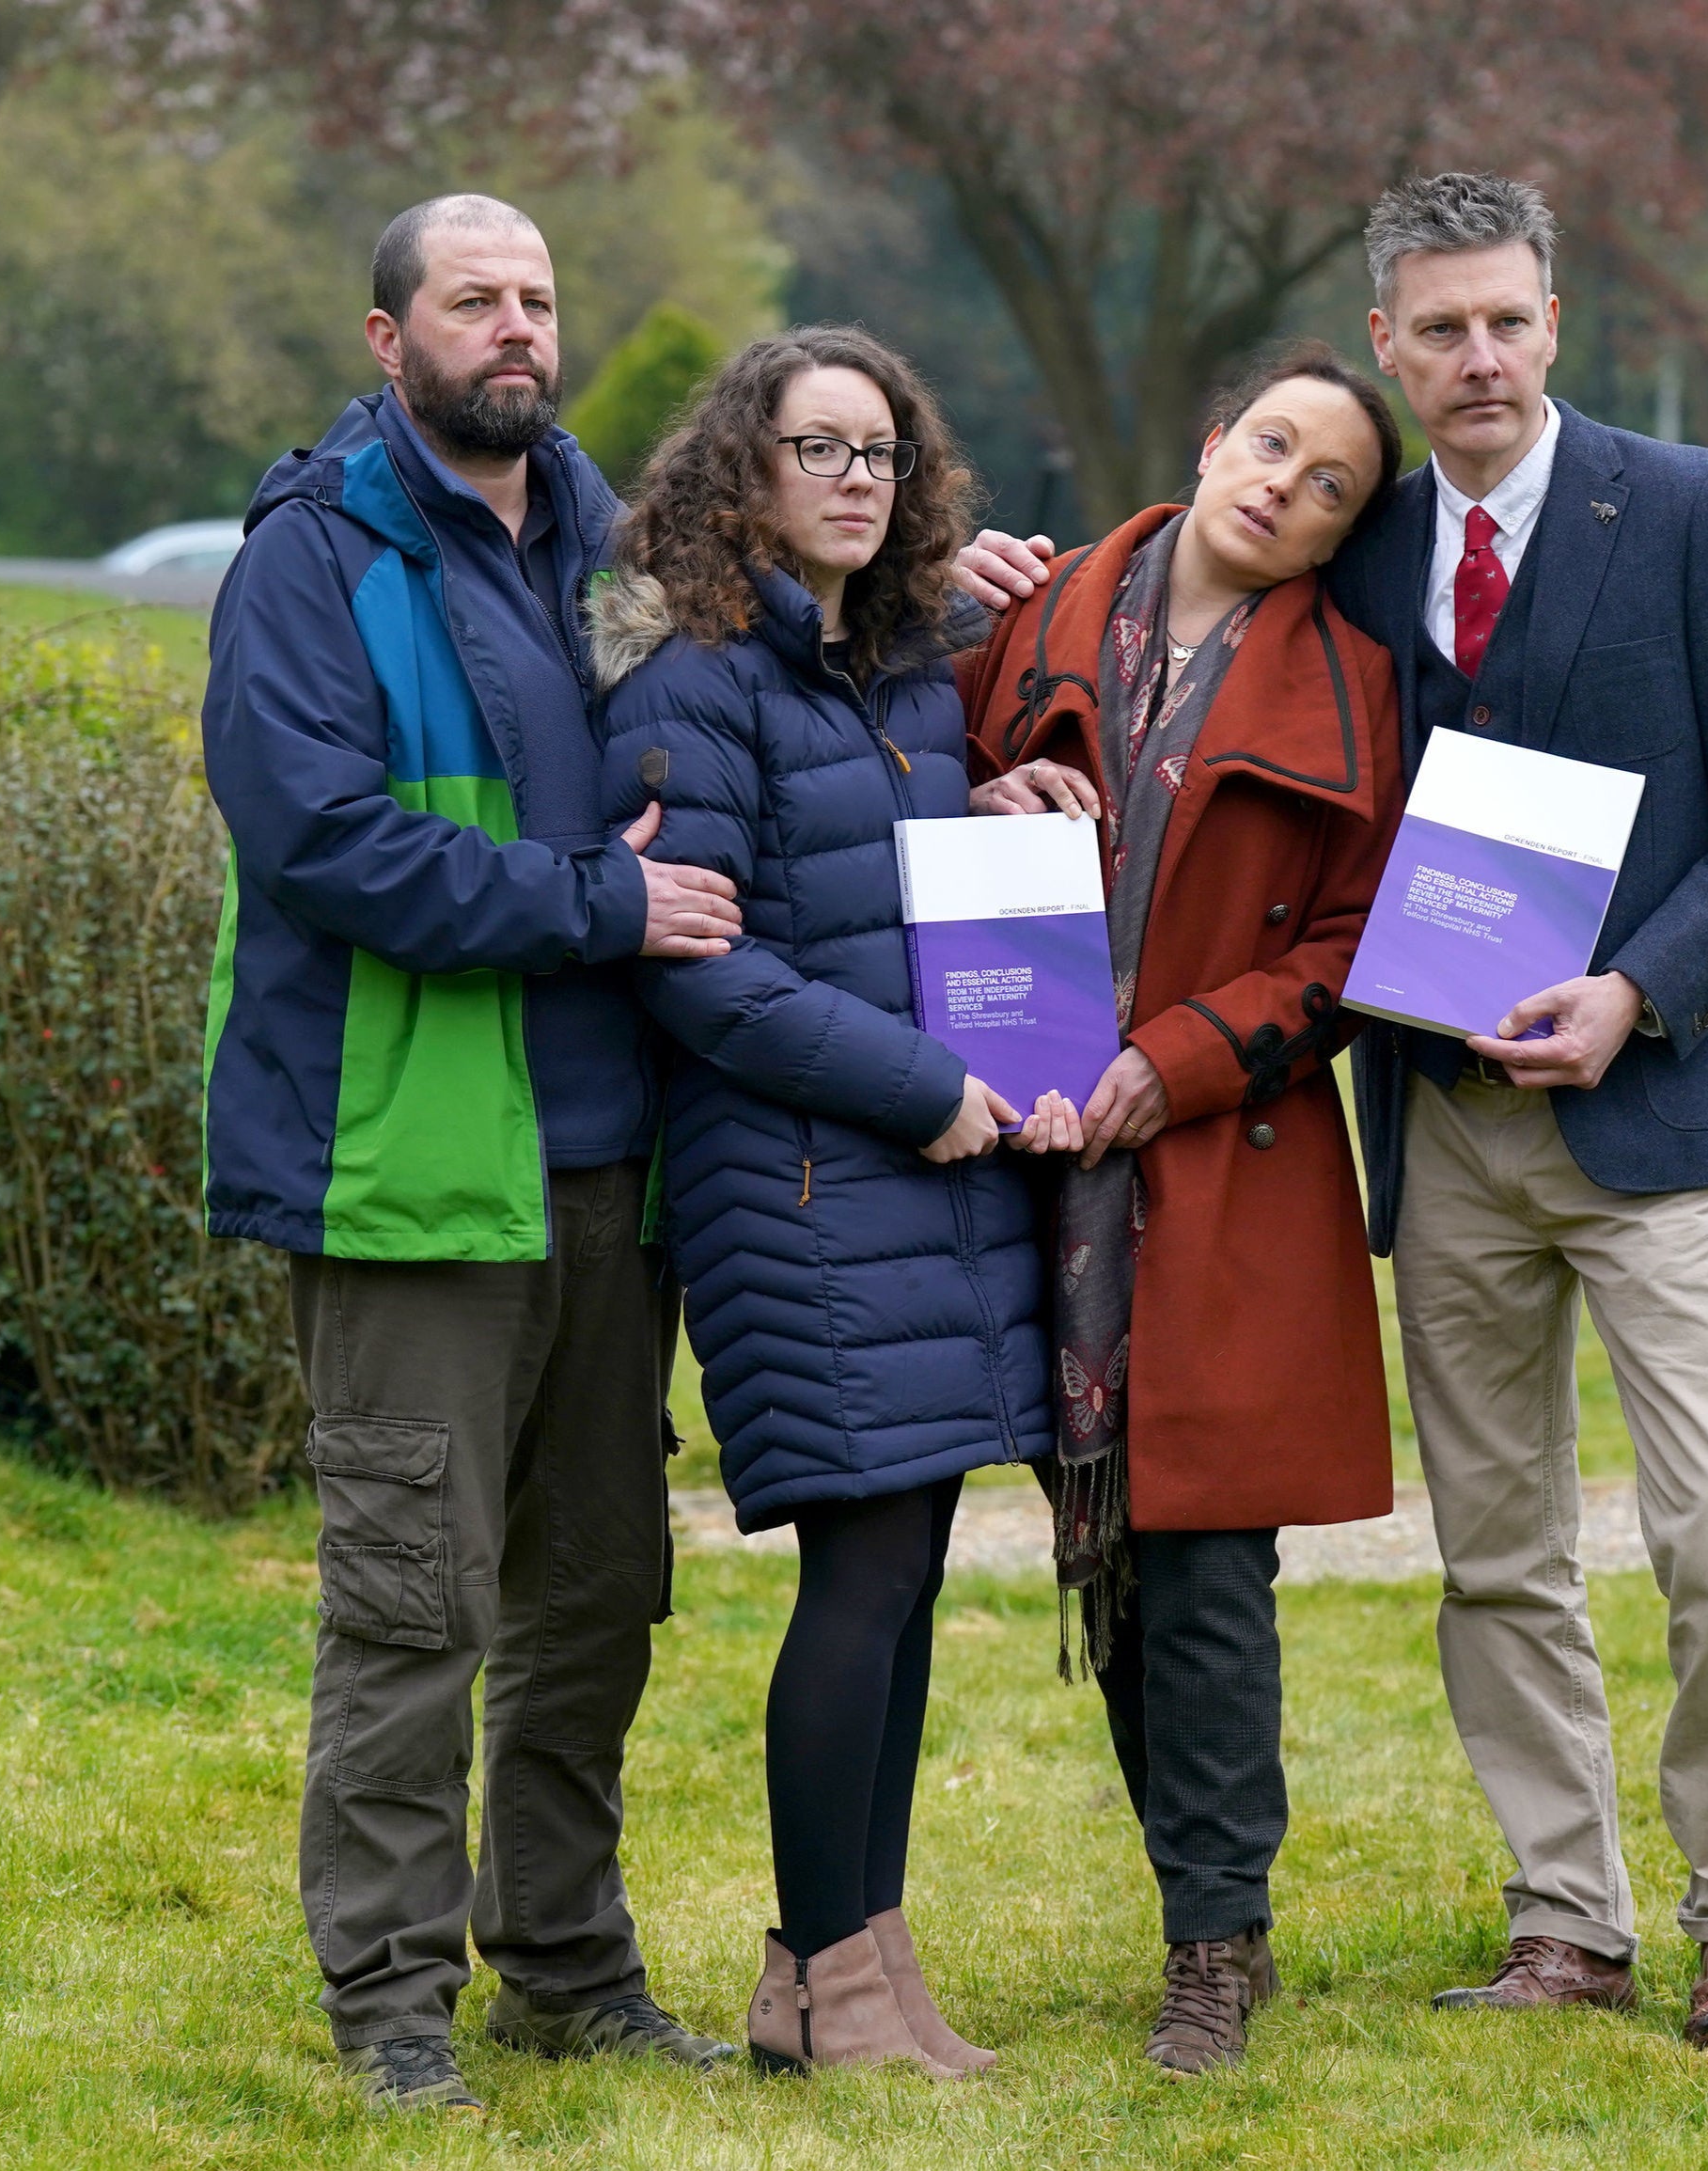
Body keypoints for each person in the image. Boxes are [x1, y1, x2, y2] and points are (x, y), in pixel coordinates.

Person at [959, 174, 1708, 2050]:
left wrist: (1635, 990)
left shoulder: (1693, 514)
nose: (1476, 357)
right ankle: (1566, 1923)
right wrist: (997, 584)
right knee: (1497, 1548)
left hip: (1652, 1116)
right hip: (1434, 1129)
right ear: (1383, 340)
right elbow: (1170, 598)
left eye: (1505, 320)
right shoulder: (1348, 545)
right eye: (1436, 328)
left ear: (1553, 318)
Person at [199, 194, 748, 2116]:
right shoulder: (313, 560)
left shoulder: (612, 546)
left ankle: (571, 1973)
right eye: (470, 300)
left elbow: (741, 729)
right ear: (386, 336)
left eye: (534, 297)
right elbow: (325, 841)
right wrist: (599, 901)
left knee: (594, 1599)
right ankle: (389, 2008)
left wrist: (991, 648)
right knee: (414, 1605)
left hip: (612, 1170)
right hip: (405, 1168)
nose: (513, 328)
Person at [588, 325, 1058, 2080]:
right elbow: (699, 966)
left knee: (907, 1567)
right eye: (818, 449)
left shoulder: (897, 673)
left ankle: (843, 1967)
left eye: (880, 453)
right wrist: (924, 1086)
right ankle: (830, 1977)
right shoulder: (690, 676)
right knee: (861, 1574)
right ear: (745, 470)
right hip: (794, 1178)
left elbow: (882, 883)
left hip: (914, 1187)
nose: (855, 479)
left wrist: (994, 799)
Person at [961, 340, 1404, 2076]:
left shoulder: (1358, 687)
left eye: (1328, 490)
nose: (1283, 488)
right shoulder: (1025, 611)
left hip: (1222, 1161)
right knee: (1115, 1561)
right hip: (1019, 1148)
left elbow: (1357, 947)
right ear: (1215, 438)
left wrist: (1186, 1058)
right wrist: (974, 790)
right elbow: (879, 788)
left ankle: (1214, 1944)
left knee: (1208, 1561)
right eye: (1273, 446)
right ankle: (1205, 1905)